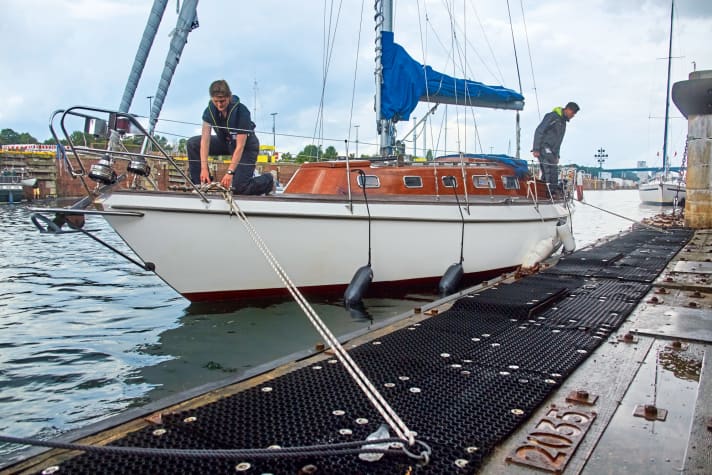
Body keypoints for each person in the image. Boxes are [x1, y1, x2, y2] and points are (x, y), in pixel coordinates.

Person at [187, 79, 273, 194]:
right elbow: (205, 141)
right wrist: (203, 169)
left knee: (239, 188)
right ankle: (201, 186)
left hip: (246, 147)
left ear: (229, 97)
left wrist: (230, 172)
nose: (219, 105)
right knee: (193, 143)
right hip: (226, 142)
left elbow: (240, 146)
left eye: (222, 101)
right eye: (216, 101)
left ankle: (268, 181)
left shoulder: (242, 112)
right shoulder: (209, 112)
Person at [532, 101, 579, 188]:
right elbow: (539, 130)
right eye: (573, 113)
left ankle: (549, 191)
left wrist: (557, 155)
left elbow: (558, 141)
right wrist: (536, 149)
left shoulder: (563, 123)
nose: (573, 116)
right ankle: (549, 192)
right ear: (568, 109)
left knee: (553, 170)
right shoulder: (552, 117)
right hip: (543, 147)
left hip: (552, 151)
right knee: (549, 170)